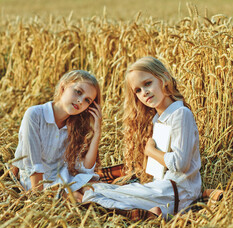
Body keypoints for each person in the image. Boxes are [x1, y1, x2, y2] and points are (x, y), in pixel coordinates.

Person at [82, 56, 202, 219]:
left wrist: (150, 151)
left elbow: (180, 164)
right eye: (137, 90)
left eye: (147, 84)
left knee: (92, 194)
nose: (144, 92)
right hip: (164, 188)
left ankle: (142, 213)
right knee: (92, 189)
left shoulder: (180, 114)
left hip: (177, 192)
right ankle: (150, 212)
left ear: (164, 78)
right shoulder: (158, 119)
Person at [10, 70, 102, 202]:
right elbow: (33, 164)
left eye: (87, 100)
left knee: (94, 190)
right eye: (78, 92)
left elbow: (85, 168)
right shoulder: (35, 115)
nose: (80, 101)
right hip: (35, 181)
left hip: (63, 177)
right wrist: (39, 198)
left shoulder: (76, 125)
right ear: (63, 87)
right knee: (77, 198)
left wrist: (97, 133)